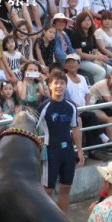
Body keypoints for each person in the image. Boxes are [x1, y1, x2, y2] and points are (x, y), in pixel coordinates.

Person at [37, 70, 84, 213]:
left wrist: (80, 151)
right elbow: (33, 128)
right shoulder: (44, 107)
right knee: (48, 189)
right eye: (56, 83)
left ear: (66, 86)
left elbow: (75, 129)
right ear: (50, 86)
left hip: (68, 151)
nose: (59, 86)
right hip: (51, 151)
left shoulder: (71, 106)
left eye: (62, 83)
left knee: (66, 187)